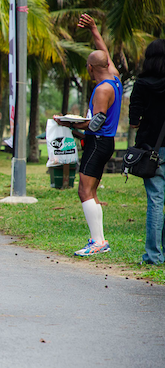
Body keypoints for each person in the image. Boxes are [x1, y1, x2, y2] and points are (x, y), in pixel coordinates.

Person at [54, 14, 123, 256]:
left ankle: (98, 242)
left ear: (90, 67)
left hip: (98, 142)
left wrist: (69, 124)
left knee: (84, 191)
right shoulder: (114, 78)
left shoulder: (103, 90)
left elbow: (96, 123)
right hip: (105, 142)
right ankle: (99, 239)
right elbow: (104, 52)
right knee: (90, 191)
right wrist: (94, 29)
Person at [129, 39, 165, 265]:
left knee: (155, 201)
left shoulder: (141, 84)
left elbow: (134, 122)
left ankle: (153, 255)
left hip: (151, 150)